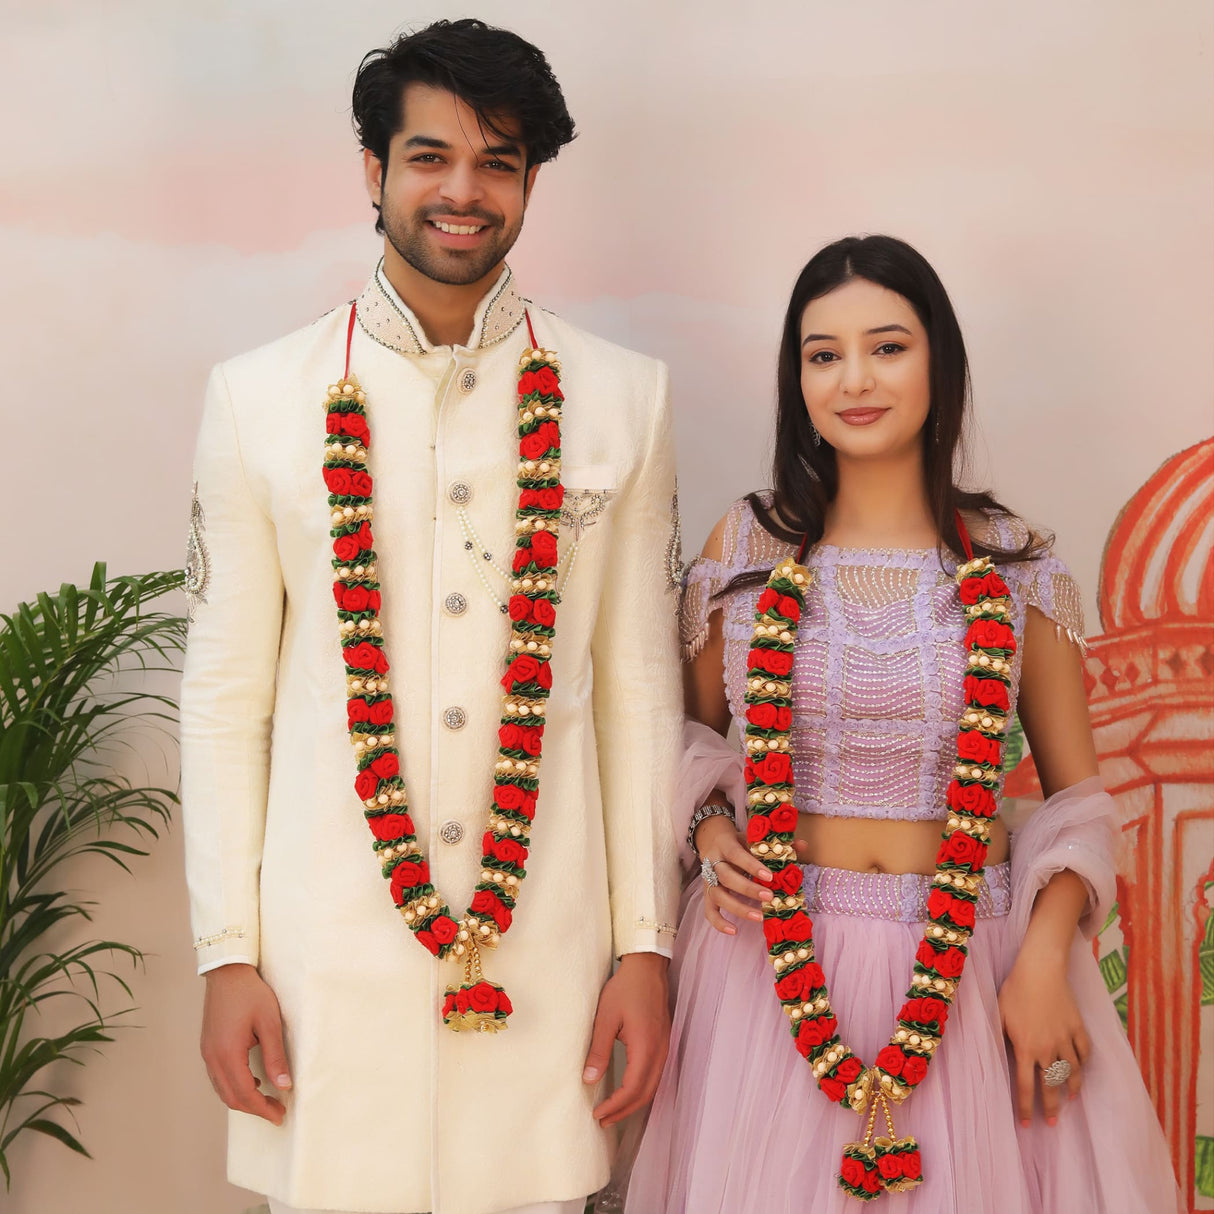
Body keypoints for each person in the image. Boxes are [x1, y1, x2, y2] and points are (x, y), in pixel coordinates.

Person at [180, 20, 682, 1214]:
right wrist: (226, 952)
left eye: (497, 162)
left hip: (546, 962)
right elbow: (225, 698)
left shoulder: (623, 397)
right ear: (373, 169)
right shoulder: (258, 400)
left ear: (529, 182)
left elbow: (636, 693)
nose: (462, 191)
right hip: (326, 970)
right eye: (428, 157)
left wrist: (645, 947)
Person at [624, 235, 1182, 1212]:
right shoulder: (745, 545)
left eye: (886, 347)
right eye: (822, 354)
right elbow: (680, 741)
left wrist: (1043, 958)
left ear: (940, 362)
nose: (854, 380)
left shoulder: (1015, 563)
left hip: (972, 965)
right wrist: (710, 831)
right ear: (796, 378)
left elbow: (1077, 801)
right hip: (768, 969)